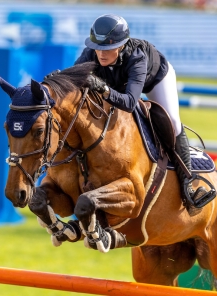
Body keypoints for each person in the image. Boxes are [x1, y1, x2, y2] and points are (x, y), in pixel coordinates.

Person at [74, 14, 215, 214]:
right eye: (97, 48)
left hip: (155, 79)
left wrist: (104, 89)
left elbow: (130, 102)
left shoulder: (137, 57)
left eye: (107, 49)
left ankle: (189, 184)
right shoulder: (91, 53)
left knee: (173, 122)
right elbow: (73, 81)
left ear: (121, 45)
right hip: (117, 83)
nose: (101, 54)